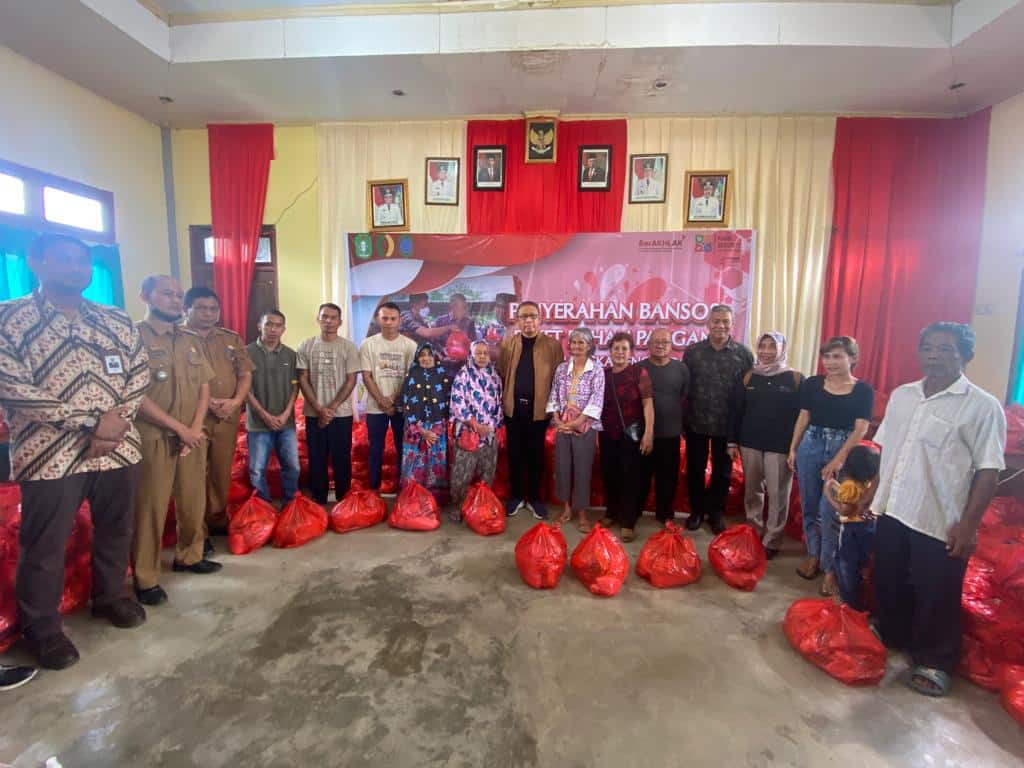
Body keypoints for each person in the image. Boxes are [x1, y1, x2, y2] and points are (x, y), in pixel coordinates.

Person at [0, 234, 149, 669]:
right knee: (44, 543)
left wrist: (115, 422)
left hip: (119, 449)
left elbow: (139, 373)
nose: (76, 267)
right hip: (50, 454)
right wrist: (89, 423)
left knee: (116, 528)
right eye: (64, 259)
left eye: (83, 260)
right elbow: (12, 386)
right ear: (36, 262)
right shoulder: (10, 318)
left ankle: (110, 596)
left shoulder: (114, 319)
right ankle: (42, 629)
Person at [869, 322, 1005, 697]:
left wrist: (970, 526)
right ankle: (894, 633)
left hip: (940, 517)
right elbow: (889, 450)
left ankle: (935, 659)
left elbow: (988, 471)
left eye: (946, 349)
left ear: (966, 356)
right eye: (928, 347)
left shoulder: (982, 406)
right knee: (889, 576)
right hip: (894, 507)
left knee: (938, 589)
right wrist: (873, 493)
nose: (935, 355)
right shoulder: (903, 395)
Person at [133, 275, 218, 608]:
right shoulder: (134, 337)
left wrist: (194, 428)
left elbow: (204, 387)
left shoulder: (190, 340)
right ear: (146, 295)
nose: (173, 299)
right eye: (166, 293)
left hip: (191, 436)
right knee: (150, 508)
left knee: (193, 500)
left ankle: (189, 555)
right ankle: (146, 577)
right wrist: (179, 429)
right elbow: (135, 394)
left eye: (177, 295)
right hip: (153, 435)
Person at [787, 336, 873, 596]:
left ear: (852, 358)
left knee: (832, 511)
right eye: (827, 356)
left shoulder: (863, 390)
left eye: (838, 356)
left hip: (842, 446)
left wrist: (838, 460)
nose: (831, 362)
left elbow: (861, 429)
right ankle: (813, 556)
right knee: (810, 506)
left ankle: (830, 568)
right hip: (811, 443)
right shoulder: (813, 384)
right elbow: (804, 416)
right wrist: (793, 447)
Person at [183, 286, 253, 555]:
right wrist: (209, 403)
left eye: (213, 309)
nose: (208, 314)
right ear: (187, 309)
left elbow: (245, 374)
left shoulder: (230, 339)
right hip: (193, 419)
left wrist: (235, 402)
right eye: (201, 308)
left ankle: (215, 519)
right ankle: (196, 530)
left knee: (221, 472)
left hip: (227, 416)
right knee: (193, 476)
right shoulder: (179, 340)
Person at [727, 332, 803, 558]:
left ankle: (772, 539)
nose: (767, 351)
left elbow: (803, 416)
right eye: (763, 346)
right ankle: (753, 530)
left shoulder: (796, 379)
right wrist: (732, 442)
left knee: (778, 493)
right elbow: (736, 411)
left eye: (772, 346)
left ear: (781, 349)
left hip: (780, 446)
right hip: (750, 442)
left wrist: (796, 447)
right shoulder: (749, 377)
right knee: (752, 490)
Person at [683, 304, 754, 534]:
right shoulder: (693, 351)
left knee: (722, 474)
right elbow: (685, 388)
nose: (720, 325)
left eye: (725, 321)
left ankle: (715, 513)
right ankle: (696, 512)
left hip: (727, 426)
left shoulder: (743, 354)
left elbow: (748, 392)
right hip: (696, 422)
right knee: (695, 469)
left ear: (732, 325)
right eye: (716, 321)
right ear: (708, 323)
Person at [496, 301, 564, 520]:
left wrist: (555, 411)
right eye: (524, 317)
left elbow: (558, 379)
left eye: (532, 316)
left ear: (540, 319)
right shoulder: (508, 344)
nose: (528, 321)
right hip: (513, 411)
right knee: (515, 456)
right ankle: (516, 497)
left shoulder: (552, 346)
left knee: (536, 457)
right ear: (517, 320)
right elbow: (503, 373)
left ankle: (534, 498)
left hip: (539, 412)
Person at [296, 303, 361, 505]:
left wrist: (331, 408)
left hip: (341, 414)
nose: (329, 321)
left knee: (342, 457)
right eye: (325, 316)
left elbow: (351, 380)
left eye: (333, 317)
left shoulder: (348, 347)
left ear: (340, 322)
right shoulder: (306, 345)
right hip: (313, 413)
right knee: (317, 458)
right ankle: (319, 498)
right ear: (318, 319)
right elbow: (302, 378)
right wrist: (318, 408)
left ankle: (344, 498)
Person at [546, 328, 604, 532]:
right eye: (573, 343)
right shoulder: (562, 368)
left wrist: (576, 422)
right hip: (562, 425)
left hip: (585, 427)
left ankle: (582, 514)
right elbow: (554, 394)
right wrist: (556, 418)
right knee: (563, 468)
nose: (576, 346)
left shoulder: (596, 369)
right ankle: (567, 510)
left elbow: (597, 399)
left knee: (582, 469)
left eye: (581, 343)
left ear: (589, 346)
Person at [600, 332, 654, 542]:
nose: (620, 352)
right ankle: (611, 513)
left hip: (631, 435)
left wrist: (648, 433)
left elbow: (648, 403)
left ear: (631, 352)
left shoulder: (639, 373)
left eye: (624, 349)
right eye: (616, 348)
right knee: (609, 474)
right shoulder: (603, 374)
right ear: (610, 351)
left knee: (631, 478)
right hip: (607, 434)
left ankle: (628, 521)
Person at [360, 302, 418, 491]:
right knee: (375, 448)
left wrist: (393, 399)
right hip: (375, 407)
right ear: (378, 319)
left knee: (403, 448)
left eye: (393, 318)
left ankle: (404, 489)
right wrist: (382, 400)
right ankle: (374, 490)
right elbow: (366, 375)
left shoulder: (410, 345)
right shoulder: (368, 344)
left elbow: (410, 377)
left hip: (401, 407)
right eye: (385, 318)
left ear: (399, 320)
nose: (389, 322)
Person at [245, 310, 300, 504]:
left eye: (278, 325)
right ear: (259, 326)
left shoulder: (291, 355)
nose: (273, 329)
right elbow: (245, 389)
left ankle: (290, 506)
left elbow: (296, 387)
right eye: (269, 324)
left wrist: (285, 415)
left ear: (283, 329)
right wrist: (264, 415)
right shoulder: (246, 353)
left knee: (293, 467)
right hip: (258, 424)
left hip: (286, 423)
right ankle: (264, 508)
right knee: (257, 469)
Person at [639, 328, 689, 527]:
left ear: (671, 345)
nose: (660, 345)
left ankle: (664, 513)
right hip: (645, 434)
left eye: (665, 342)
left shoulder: (681, 369)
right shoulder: (639, 368)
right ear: (648, 345)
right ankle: (635, 511)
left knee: (667, 477)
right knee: (641, 476)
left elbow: (685, 399)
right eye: (656, 341)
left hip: (671, 433)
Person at [449, 340, 503, 519]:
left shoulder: (494, 376)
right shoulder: (463, 375)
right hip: (468, 432)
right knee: (461, 474)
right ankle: (458, 507)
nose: (482, 356)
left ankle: (480, 506)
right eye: (478, 353)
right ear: (471, 355)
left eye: (485, 353)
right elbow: (458, 403)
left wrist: (491, 426)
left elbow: (499, 405)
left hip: (488, 434)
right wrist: (475, 425)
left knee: (487, 474)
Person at [824, 444, 880, 611]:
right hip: (868, 526)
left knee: (846, 564)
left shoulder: (849, 485)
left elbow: (845, 510)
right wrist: (836, 486)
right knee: (860, 564)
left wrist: (829, 495)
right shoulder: (868, 485)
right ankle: (859, 599)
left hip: (852, 529)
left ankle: (850, 604)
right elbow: (853, 497)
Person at [396, 343, 452, 500]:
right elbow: (406, 402)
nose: (426, 358)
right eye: (422, 355)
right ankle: (412, 497)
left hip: (437, 430)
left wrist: (434, 430)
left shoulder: (443, 377)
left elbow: (447, 405)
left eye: (429, 354)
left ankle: (434, 499)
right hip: (415, 429)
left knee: (435, 462)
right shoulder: (411, 376)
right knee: (414, 463)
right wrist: (421, 430)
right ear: (417, 357)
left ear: (435, 357)